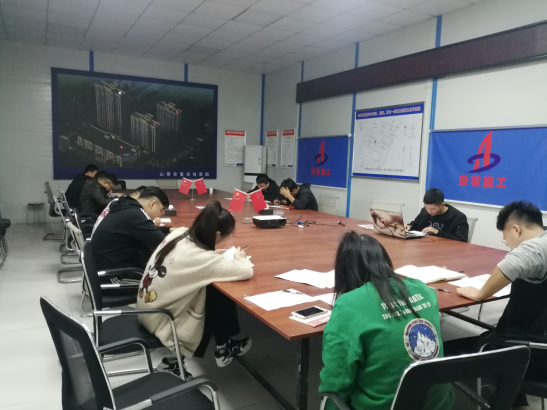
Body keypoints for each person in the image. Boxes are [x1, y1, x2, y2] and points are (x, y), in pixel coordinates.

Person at [319, 232, 453, 410]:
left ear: (344, 271)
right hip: (439, 405)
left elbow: (336, 381)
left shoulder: (348, 306)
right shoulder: (424, 289)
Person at [444, 200, 547, 410]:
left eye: (505, 237)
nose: (506, 243)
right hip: (535, 342)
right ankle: (520, 405)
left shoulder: (536, 247)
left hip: (530, 351)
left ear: (516, 229)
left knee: (443, 351)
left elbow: (516, 260)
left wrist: (480, 293)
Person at [137, 201, 253, 375]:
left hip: (147, 307)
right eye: (227, 236)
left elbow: (200, 258)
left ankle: (223, 346)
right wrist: (240, 257)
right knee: (216, 293)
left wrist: (217, 253)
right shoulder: (202, 259)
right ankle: (214, 349)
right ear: (217, 235)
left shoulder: (181, 233)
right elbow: (246, 271)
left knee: (211, 286)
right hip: (163, 319)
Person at [90, 186, 172, 274]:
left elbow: (145, 230)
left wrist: (169, 229)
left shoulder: (125, 205)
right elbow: (163, 242)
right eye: (161, 210)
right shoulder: (136, 215)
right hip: (115, 274)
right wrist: (179, 234)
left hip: (105, 264)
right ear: (152, 204)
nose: (160, 214)